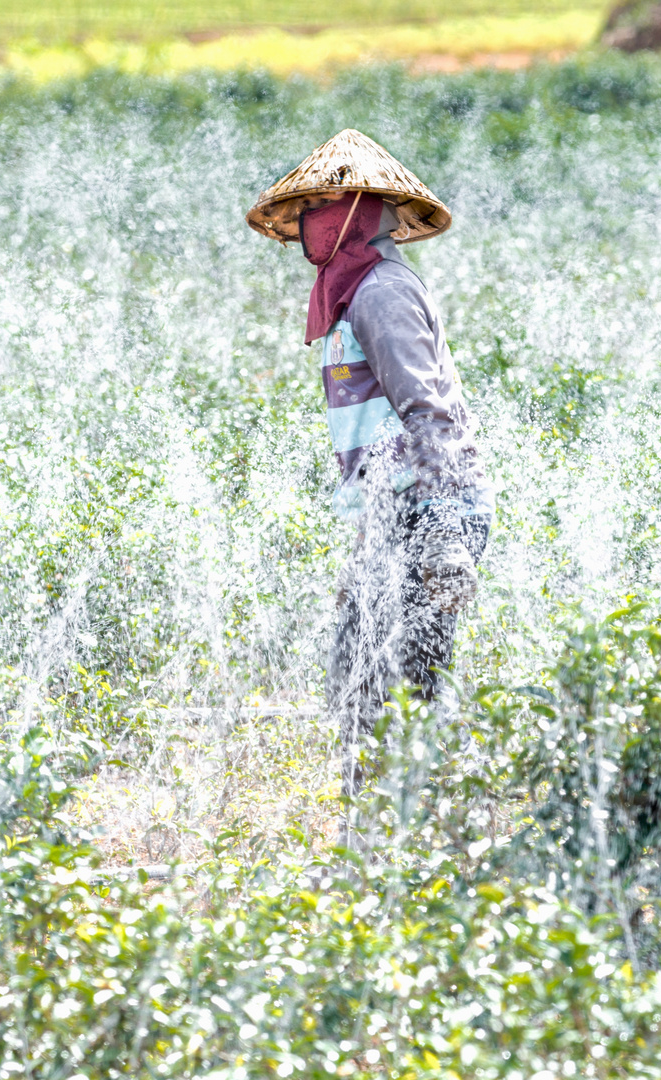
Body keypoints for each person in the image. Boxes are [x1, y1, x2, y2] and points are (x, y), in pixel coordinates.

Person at [246, 129, 496, 805]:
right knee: (357, 686)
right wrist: (366, 541)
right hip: (398, 513)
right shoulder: (351, 294)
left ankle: (421, 834)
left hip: (432, 510)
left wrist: (442, 533)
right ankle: (376, 836)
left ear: (355, 212)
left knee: (401, 691)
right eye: (306, 211)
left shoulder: (380, 293)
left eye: (321, 208)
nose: (307, 226)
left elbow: (427, 408)